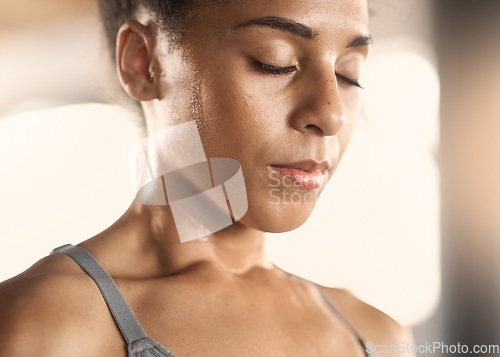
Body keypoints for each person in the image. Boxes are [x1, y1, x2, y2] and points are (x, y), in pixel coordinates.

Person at [0, 0, 414, 355]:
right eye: (276, 62)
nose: (331, 114)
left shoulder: (376, 335)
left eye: (348, 74)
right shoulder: (40, 327)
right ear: (143, 62)